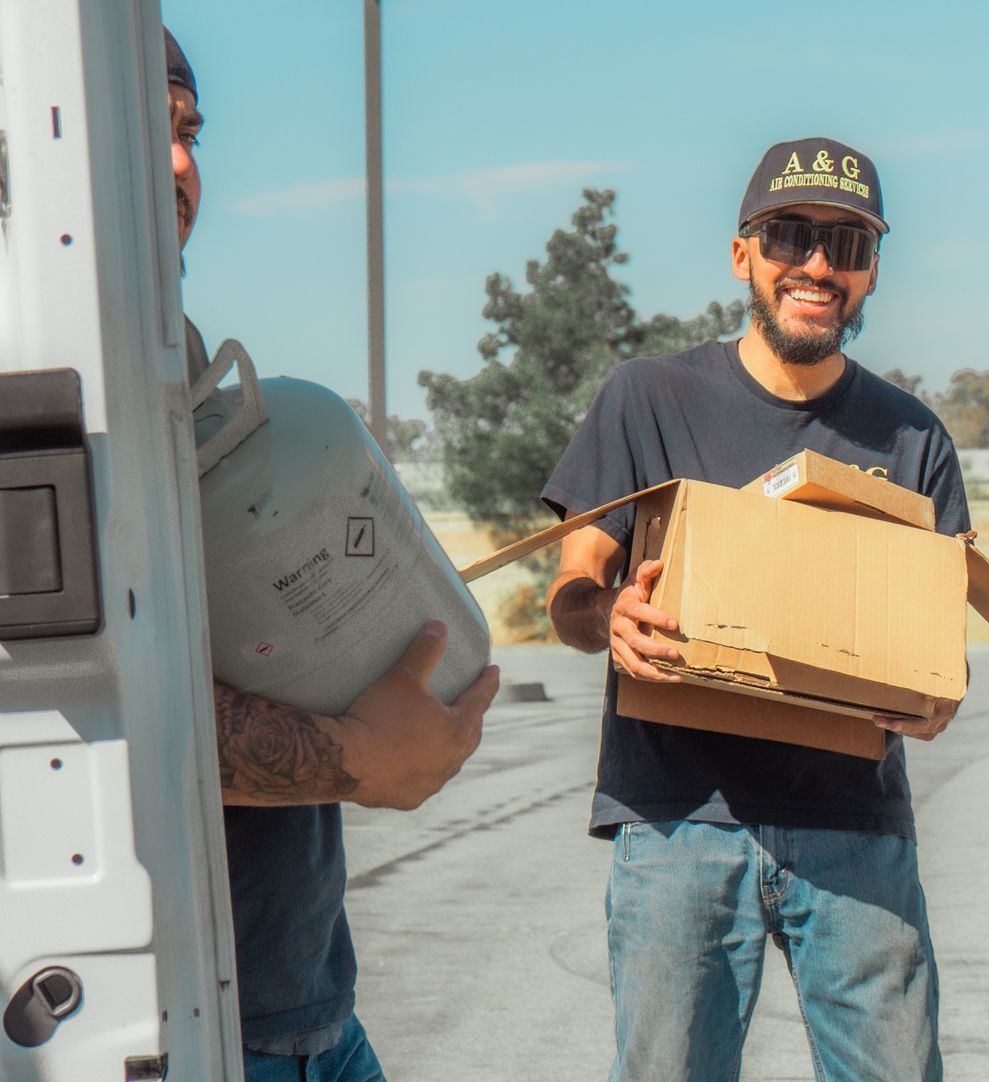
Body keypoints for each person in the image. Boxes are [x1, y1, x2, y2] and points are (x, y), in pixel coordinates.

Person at [542, 137, 967, 1082]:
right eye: (790, 235)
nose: (817, 264)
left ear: (870, 277)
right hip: (679, 822)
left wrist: (935, 699)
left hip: (856, 828)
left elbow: (943, 658)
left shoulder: (913, 436)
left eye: (846, 246)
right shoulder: (649, 398)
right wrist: (607, 615)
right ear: (744, 253)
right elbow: (570, 593)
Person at [164, 29, 500, 1081]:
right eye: (144, 132)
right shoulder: (38, 371)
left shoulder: (165, 351)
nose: (181, 168)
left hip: (305, 1008)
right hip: (179, 1030)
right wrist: (359, 756)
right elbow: (77, 711)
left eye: (190, 134)